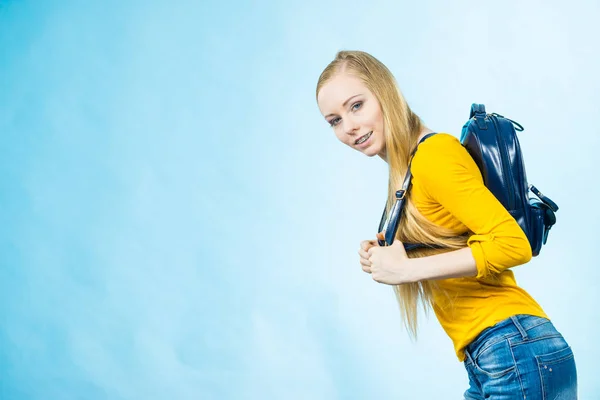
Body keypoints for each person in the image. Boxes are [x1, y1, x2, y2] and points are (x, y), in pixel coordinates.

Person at [315, 50, 577, 400]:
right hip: (496, 354)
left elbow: (514, 243)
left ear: (385, 93)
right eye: (334, 120)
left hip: (512, 348)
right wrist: (391, 251)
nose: (349, 126)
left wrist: (408, 270)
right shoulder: (409, 170)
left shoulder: (434, 157)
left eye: (356, 106)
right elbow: (449, 240)